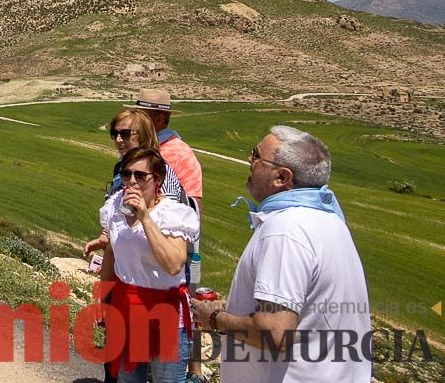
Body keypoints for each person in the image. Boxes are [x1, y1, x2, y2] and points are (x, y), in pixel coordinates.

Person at [191, 127, 370, 383]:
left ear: (282, 177)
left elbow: (274, 333)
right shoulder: (329, 220)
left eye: (256, 155)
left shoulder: (285, 230)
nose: (249, 161)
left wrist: (215, 318)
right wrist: (237, 309)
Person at [98, 148, 200, 383]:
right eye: (126, 174)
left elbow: (174, 264)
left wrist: (145, 218)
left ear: (158, 180)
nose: (132, 181)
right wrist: (103, 301)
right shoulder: (115, 207)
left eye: (140, 176)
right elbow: (111, 257)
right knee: (127, 379)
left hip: (165, 314)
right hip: (126, 307)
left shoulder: (174, 214)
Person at [84, 109, 188, 257]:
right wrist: (106, 236)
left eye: (125, 134)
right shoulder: (120, 169)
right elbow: (118, 209)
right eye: (115, 134)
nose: (119, 140)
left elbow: (168, 218)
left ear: (144, 135)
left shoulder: (161, 171)